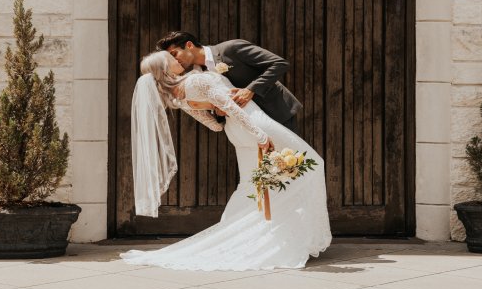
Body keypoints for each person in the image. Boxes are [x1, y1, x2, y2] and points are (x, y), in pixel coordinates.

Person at [122, 51, 331, 271]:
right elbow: (233, 107)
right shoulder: (196, 79)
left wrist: (213, 108)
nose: (177, 59)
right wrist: (259, 135)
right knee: (313, 165)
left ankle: (258, 235)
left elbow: (215, 125)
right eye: (171, 59)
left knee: (251, 185)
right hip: (254, 123)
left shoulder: (178, 97)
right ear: (165, 69)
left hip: (236, 133)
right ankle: (281, 236)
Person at [156, 32, 302, 134]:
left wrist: (250, 89)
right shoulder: (196, 77)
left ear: (189, 45)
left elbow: (279, 63)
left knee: (293, 169)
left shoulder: (231, 48)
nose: (175, 61)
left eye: (174, 54)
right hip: (246, 128)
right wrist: (218, 111)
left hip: (275, 112)